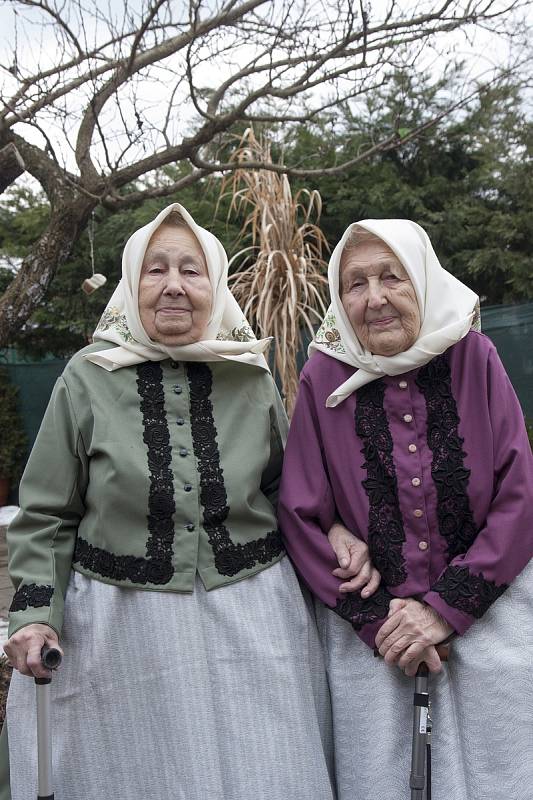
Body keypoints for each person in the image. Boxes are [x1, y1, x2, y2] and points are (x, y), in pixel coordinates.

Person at [0, 203, 351, 800]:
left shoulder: (251, 375)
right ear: (131, 282)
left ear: (213, 286)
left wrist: (335, 532)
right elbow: (46, 514)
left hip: (254, 615)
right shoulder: (86, 377)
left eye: (191, 271)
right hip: (121, 625)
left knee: (267, 770)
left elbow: (285, 492)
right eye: (154, 269)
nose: (172, 286)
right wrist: (35, 614)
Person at [278, 219, 533, 800]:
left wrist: (446, 610)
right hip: (373, 630)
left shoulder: (474, 355)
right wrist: (383, 625)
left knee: (508, 773)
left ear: (422, 280)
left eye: (391, 277)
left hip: (493, 612)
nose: (375, 298)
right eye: (355, 283)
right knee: (384, 783)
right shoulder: (324, 374)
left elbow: (519, 493)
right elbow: (299, 512)